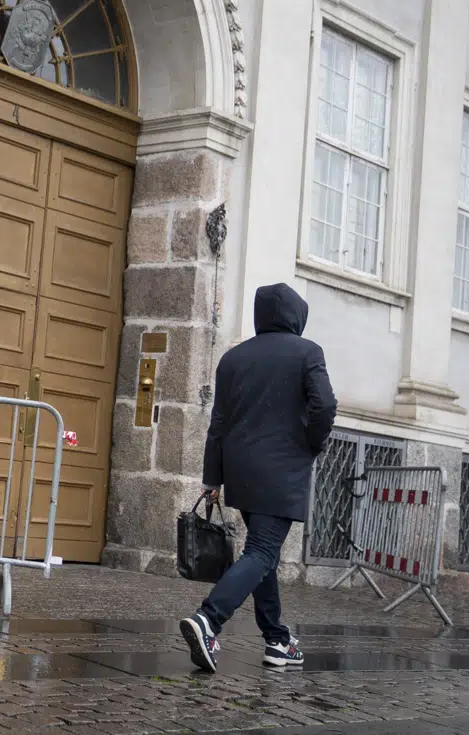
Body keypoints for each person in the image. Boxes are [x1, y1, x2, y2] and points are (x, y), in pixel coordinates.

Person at [179, 282, 337, 672]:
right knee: (263, 553)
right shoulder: (307, 352)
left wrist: (212, 478)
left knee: (260, 553)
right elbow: (326, 405)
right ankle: (208, 619)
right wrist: (312, 445)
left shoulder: (232, 358)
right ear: (297, 315)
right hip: (282, 470)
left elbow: (218, 425)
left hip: (240, 472)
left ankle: (277, 639)